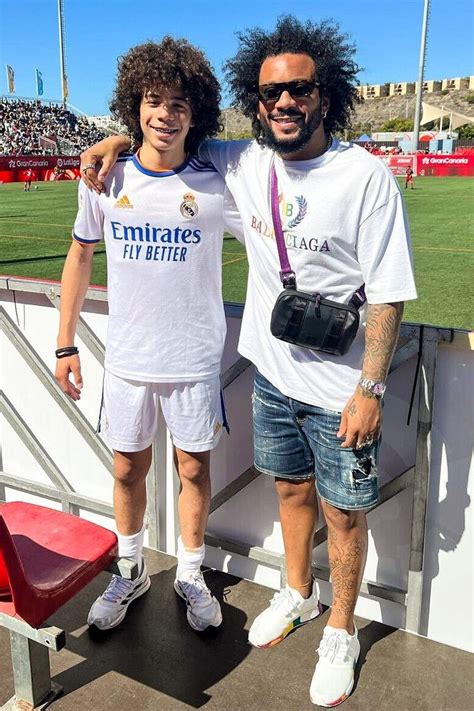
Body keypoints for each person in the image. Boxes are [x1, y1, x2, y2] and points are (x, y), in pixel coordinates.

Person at [80, 16, 417, 707]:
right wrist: (114, 138)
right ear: (254, 101)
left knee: (345, 515)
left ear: (327, 93)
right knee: (290, 494)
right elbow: (163, 139)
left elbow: (387, 295)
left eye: (298, 89)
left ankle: (344, 629)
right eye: (270, 94)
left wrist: (371, 386)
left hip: (343, 385)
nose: (284, 103)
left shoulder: (366, 177)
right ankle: (297, 592)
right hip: (272, 376)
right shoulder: (243, 160)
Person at [56, 38, 242, 634]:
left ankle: (190, 573)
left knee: (193, 470)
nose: (166, 113)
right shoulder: (105, 180)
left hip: (193, 361)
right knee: (126, 471)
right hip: (130, 361)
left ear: (197, 111)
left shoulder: (219, 180)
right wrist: (65, 345)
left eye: (180, 102)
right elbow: (80, 258)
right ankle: (131, 569)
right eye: (153, 100)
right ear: (134, 107)